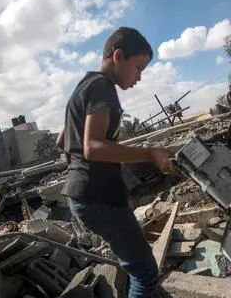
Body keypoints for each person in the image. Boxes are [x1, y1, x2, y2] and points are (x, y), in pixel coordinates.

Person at [55, 27, 173, 298]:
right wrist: (148, 153)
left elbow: (62, 141)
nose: (139, 77)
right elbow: (93, 147)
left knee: (140, 267)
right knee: (145, 274)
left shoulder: (83, 85)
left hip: (84, 195)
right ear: (118, 56)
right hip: (98, 196)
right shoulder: (102, 86)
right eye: (139, 68)